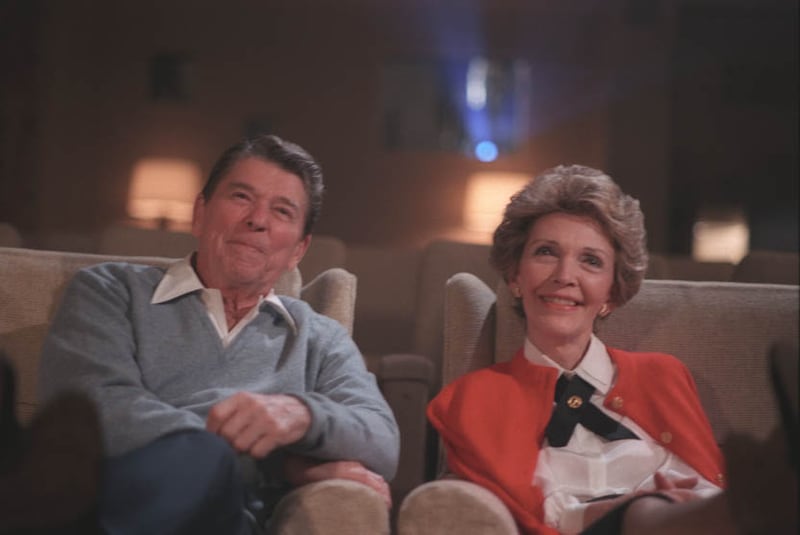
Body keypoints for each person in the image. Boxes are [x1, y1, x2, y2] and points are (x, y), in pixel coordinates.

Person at [38, 134, 399, 534]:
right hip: (121, 497)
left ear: (299, 250)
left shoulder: (318, 338)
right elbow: (97, 412)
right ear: (200, 213)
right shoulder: (111, 291)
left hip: (231, 521)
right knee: (197, 459)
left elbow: (381, 439)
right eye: (241, 197)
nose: (257, 220)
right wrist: (278, 465)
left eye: (282, 211)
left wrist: (300, 415)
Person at [425, 165, 744, 534]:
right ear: (515, 276)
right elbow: (531, 516)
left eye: (590, 261)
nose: (564, 276)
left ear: (612, 291)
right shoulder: (472, 398)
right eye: (546, 252)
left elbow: (712, 485)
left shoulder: (664, 375)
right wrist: (622, 510)